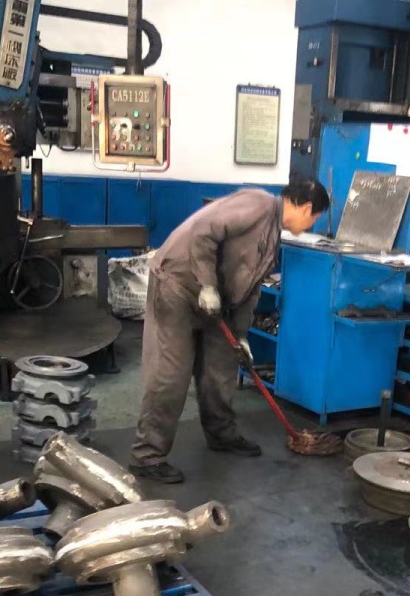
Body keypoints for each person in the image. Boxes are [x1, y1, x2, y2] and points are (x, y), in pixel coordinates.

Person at [129, 178, 331, 483]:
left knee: (220, 368)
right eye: (314, 218)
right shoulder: (257, 204)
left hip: (215, 301)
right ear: (305, 208)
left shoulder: (273, 235)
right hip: (178, 286)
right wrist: (208, 285)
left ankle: (221, 433)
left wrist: (240, 336)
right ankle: (147, 455)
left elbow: (250, 290)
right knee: (170, 374)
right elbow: (202, 232)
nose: (312, 225)